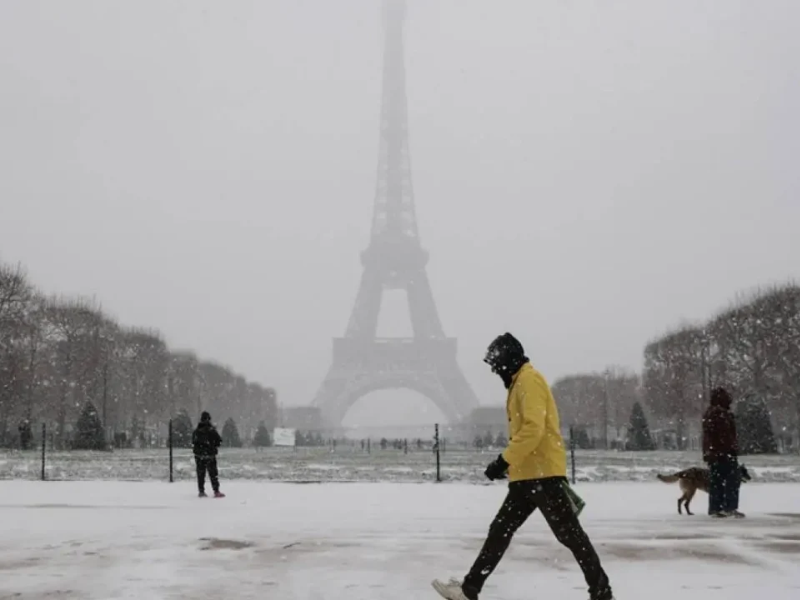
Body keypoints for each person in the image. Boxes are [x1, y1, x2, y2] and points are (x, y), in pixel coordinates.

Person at [432, 333, 613, 600]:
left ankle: (602, 593)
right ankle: (470, 589)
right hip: (528, 475)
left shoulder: (529, 381)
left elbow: (533, 429)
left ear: (508, 360)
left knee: (570, 536)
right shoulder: (519, 382)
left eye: (496, 364)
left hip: (542, 475)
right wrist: (510, 463)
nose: (495, 370)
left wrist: (504, 460)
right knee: (501, 530)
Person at [702, 387, 743, 518]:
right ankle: (729, 507)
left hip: (714, 453)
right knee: (731, 481)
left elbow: (710, 436)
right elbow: (725, 435)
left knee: (716, 481)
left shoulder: (710, 413)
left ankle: (716, 508)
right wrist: (730, 448)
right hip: (724, 453)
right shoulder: (721, 414)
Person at [192, 411, 225, 498]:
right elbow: (219, 441)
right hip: (210, 455)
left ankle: (201, 491)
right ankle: (216, 491)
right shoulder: (212, 431)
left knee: (200, 474)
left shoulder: (197, 431)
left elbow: (193, 442)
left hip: (199, 456)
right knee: (213, 474)